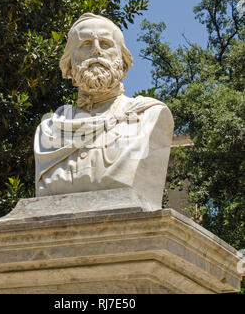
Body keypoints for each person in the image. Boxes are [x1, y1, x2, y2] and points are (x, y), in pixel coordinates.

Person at [34, 13, 174, 210]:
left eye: (106, 44)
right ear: (69, 63)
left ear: (122, 60)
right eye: (86, 44)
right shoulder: (50, 129)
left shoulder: (149, 115)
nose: (97, 51)